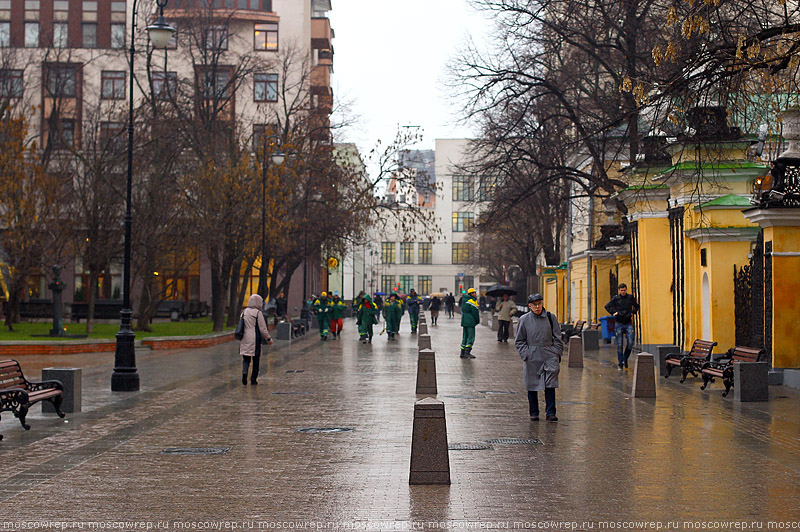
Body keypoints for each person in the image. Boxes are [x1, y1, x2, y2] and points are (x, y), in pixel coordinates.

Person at [515, 293, 562, 421]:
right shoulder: (524, 320)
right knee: (532, 384)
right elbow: (519, 340)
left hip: (549, 354)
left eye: (539, 304)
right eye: (534, 305)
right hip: (532, 354)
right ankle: (534, 412)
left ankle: (551, 412)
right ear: (529, 306)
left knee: (550, 384)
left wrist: (556, 352)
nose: (537, 307)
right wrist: (526, 354)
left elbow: (558, 337)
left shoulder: (550, 317)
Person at [238, 294, 273, 385]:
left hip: (245, 338)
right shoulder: (258, 313)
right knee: (256, 359)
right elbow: (263, 328)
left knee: (246, 359)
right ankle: (253, 379)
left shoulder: (244, 312)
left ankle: (244, 374)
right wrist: (268, 338)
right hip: (255, 339)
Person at [604, 283, 640, 369]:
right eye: (621, 290)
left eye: (624, 290)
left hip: (628, 322)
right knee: (619, 344)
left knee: (630, 342)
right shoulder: (616, 298)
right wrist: (613, 313)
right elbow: (607, 306)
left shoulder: (630, 298)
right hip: (619, 323)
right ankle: (620, 363)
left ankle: (625, 358)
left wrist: (632, 312)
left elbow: (637, 306)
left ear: (626, 290)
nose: (623, 292)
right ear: (619, 290)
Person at [459, 287, 480, 358]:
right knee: (471, 337)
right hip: (470, 320)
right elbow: (475, 312)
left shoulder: (464, 300)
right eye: (474, 292)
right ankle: (467, 352)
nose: (475, 294)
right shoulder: (472, 301)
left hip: (464, 320)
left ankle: (462, 352)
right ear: (471, 293)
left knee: (465, 336)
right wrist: (477, 320)